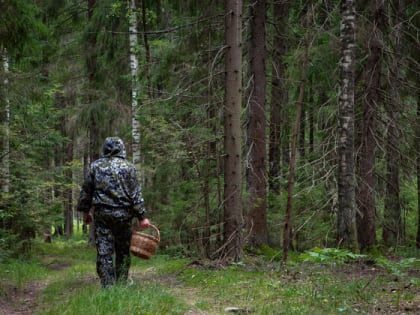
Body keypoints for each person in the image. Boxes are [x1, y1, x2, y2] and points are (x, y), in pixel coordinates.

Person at [77, 136, 150, 288]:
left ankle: (108, 287)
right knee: (123, 251)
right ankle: (121, 284)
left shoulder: (95, 167)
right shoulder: (129, 168)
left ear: (105, 148)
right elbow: (136, 195)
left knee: (104, 252)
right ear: (121, 148)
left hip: (103, 215)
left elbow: (86, 192)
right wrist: (142, 217)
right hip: (124, 216)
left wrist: (85, 212)